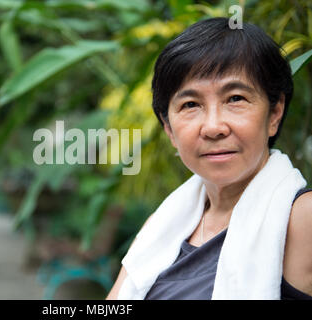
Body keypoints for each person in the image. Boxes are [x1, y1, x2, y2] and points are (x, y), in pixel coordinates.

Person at [107, 17, 312, 300]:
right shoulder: (161, 224)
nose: (214, 127)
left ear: (274, 113)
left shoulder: (301, 218)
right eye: (191, 104)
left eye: (236, 98)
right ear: (169, 129)